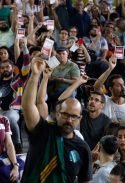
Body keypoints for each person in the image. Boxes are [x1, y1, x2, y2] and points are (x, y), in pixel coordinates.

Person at [21, 54, 92, 182]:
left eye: (74, 117)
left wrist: (79, 82)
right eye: (66, 115)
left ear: (80, 119)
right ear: (58, 113)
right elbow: (28, 106)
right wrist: (35, 75)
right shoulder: (42, 130)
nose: (69, 120)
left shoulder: (82, 148)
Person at [0, 115, 21, 183]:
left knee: (21, 166)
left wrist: (15, 166)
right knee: (4, 172)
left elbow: (9, 144)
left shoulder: (4, 119)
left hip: (2, 156)